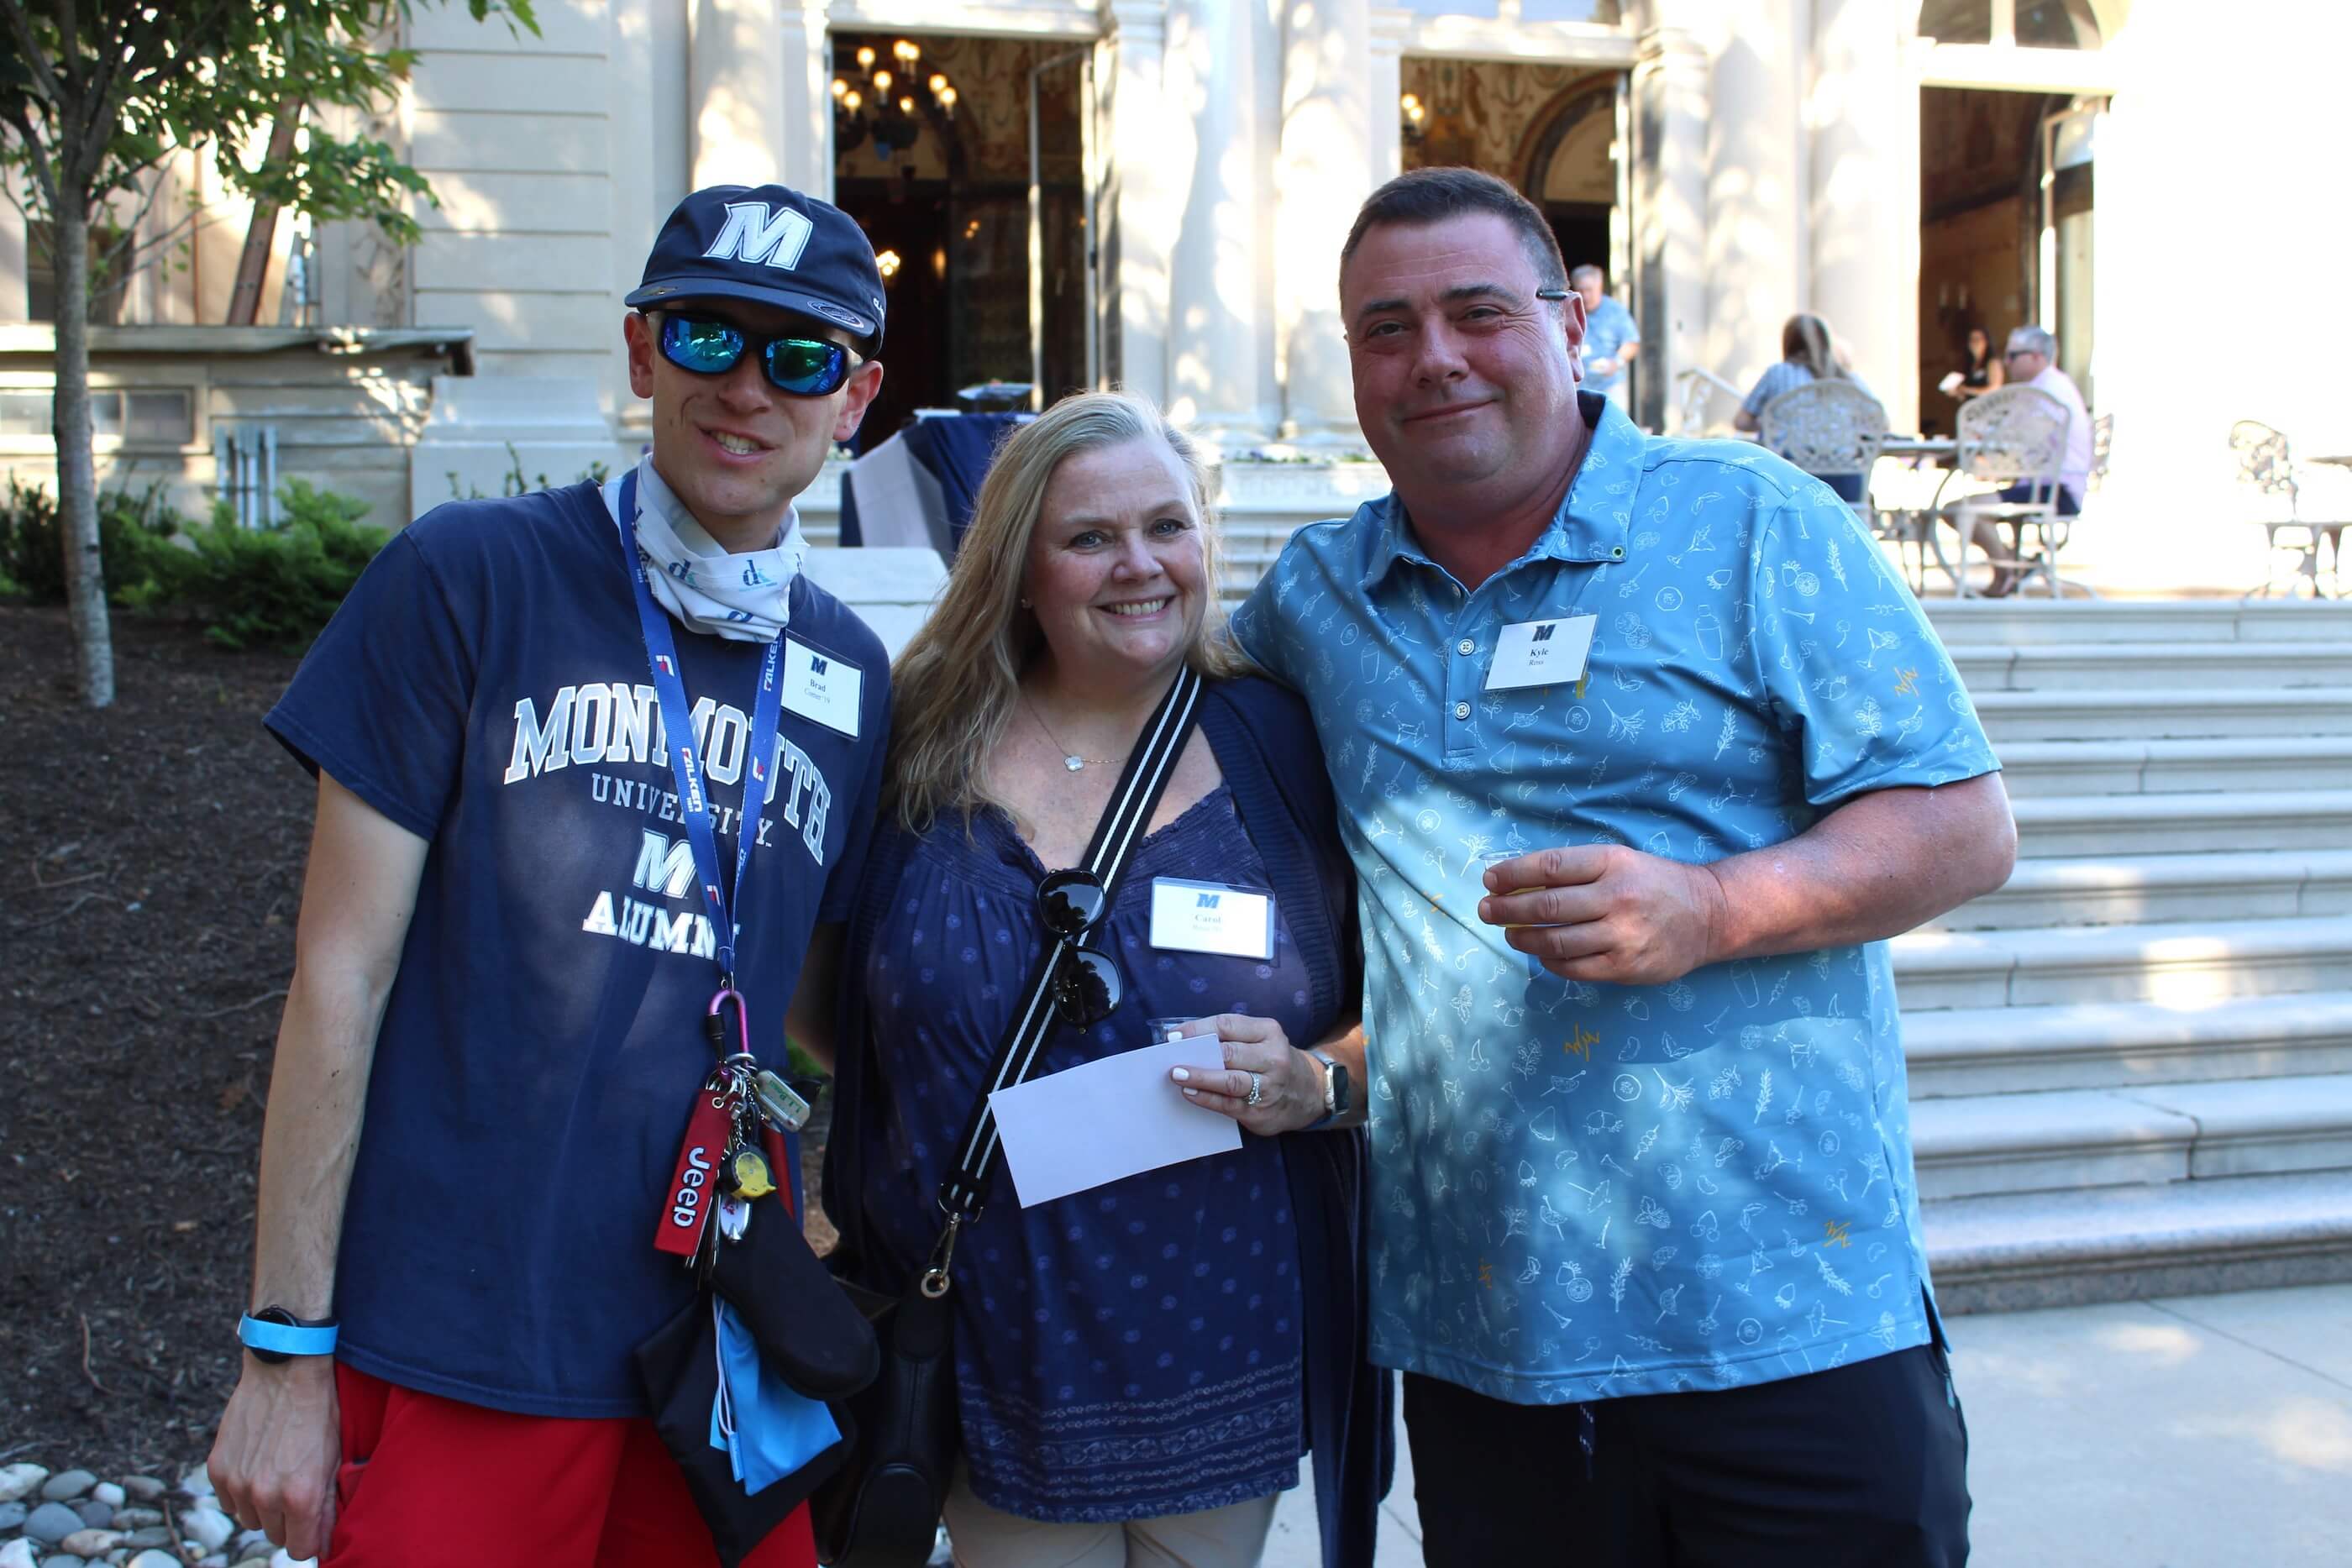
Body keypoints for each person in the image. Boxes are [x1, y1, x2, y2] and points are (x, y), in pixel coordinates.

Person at [1228, 165, 2016, 1568]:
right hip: (1491, 1350)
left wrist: (1714, 906)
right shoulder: (1318, 596)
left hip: (1789, 1321)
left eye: (1478, 311)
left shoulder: (1749, 517)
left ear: (1573, 319)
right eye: (1387, 329)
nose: (1437, 359)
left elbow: (1960, 823)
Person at [205, 183, 895, 1567]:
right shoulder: (469, 577)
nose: (746, 388)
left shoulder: (848, 675)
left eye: (799, 356)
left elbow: (818, 1007)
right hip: (461, 1341)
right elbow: (337, 976)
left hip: (715, 1358)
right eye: (707, 336)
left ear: (857, 396)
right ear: (642, 352)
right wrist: (284, 1352)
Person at [808, 391, 1390, 1568]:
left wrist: (1319, 1080)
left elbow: (1421, 1003)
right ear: (1019, 567)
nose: (1140, 565)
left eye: (1167, 527)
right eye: (1090, 537)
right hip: (983, 1325)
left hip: (1217, 1329)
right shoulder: (914, 739)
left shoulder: (1282, 739)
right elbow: (829, 1002)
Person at [1963, 323, 2093, 597]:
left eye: (2013, 356)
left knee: (1963, 510)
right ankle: (2012, 566)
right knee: (1967, 507)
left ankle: (2007, 571)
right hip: (2054, 484)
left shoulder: (2044, 393)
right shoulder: (2052, 386)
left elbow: (2013, 441)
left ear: (2036, 356)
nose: (2006, 363)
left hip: (2053, 490)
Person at [1733, 312, 1880, 502]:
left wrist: (1773, 423)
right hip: (1846, 478)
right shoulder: (1849, 380)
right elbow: (1880, 423)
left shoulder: (1778, 373)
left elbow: (1741, 421)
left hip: (1790, 479)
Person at [1571, 263, 1640, 409]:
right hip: (1577, 389)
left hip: (1609, 387)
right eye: (1581, 290)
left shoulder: (1615, 311)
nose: (1585, 296)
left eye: (1589, 290)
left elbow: (1632, 343)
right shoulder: (1570, 312)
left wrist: (1617, 362)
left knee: (1614, 429)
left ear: (1600, 287)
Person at [1946, 325, 2003, 403]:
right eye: (1971, 339)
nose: (1974, 342)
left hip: (1990, 407)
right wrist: (1957, 392)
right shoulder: (1967, 365)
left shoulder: (1992, 362)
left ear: (1986, 342)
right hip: (1973, 409)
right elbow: (1963, 397)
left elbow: (1995, 387)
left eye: (1978, 339)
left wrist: (1966, 389)